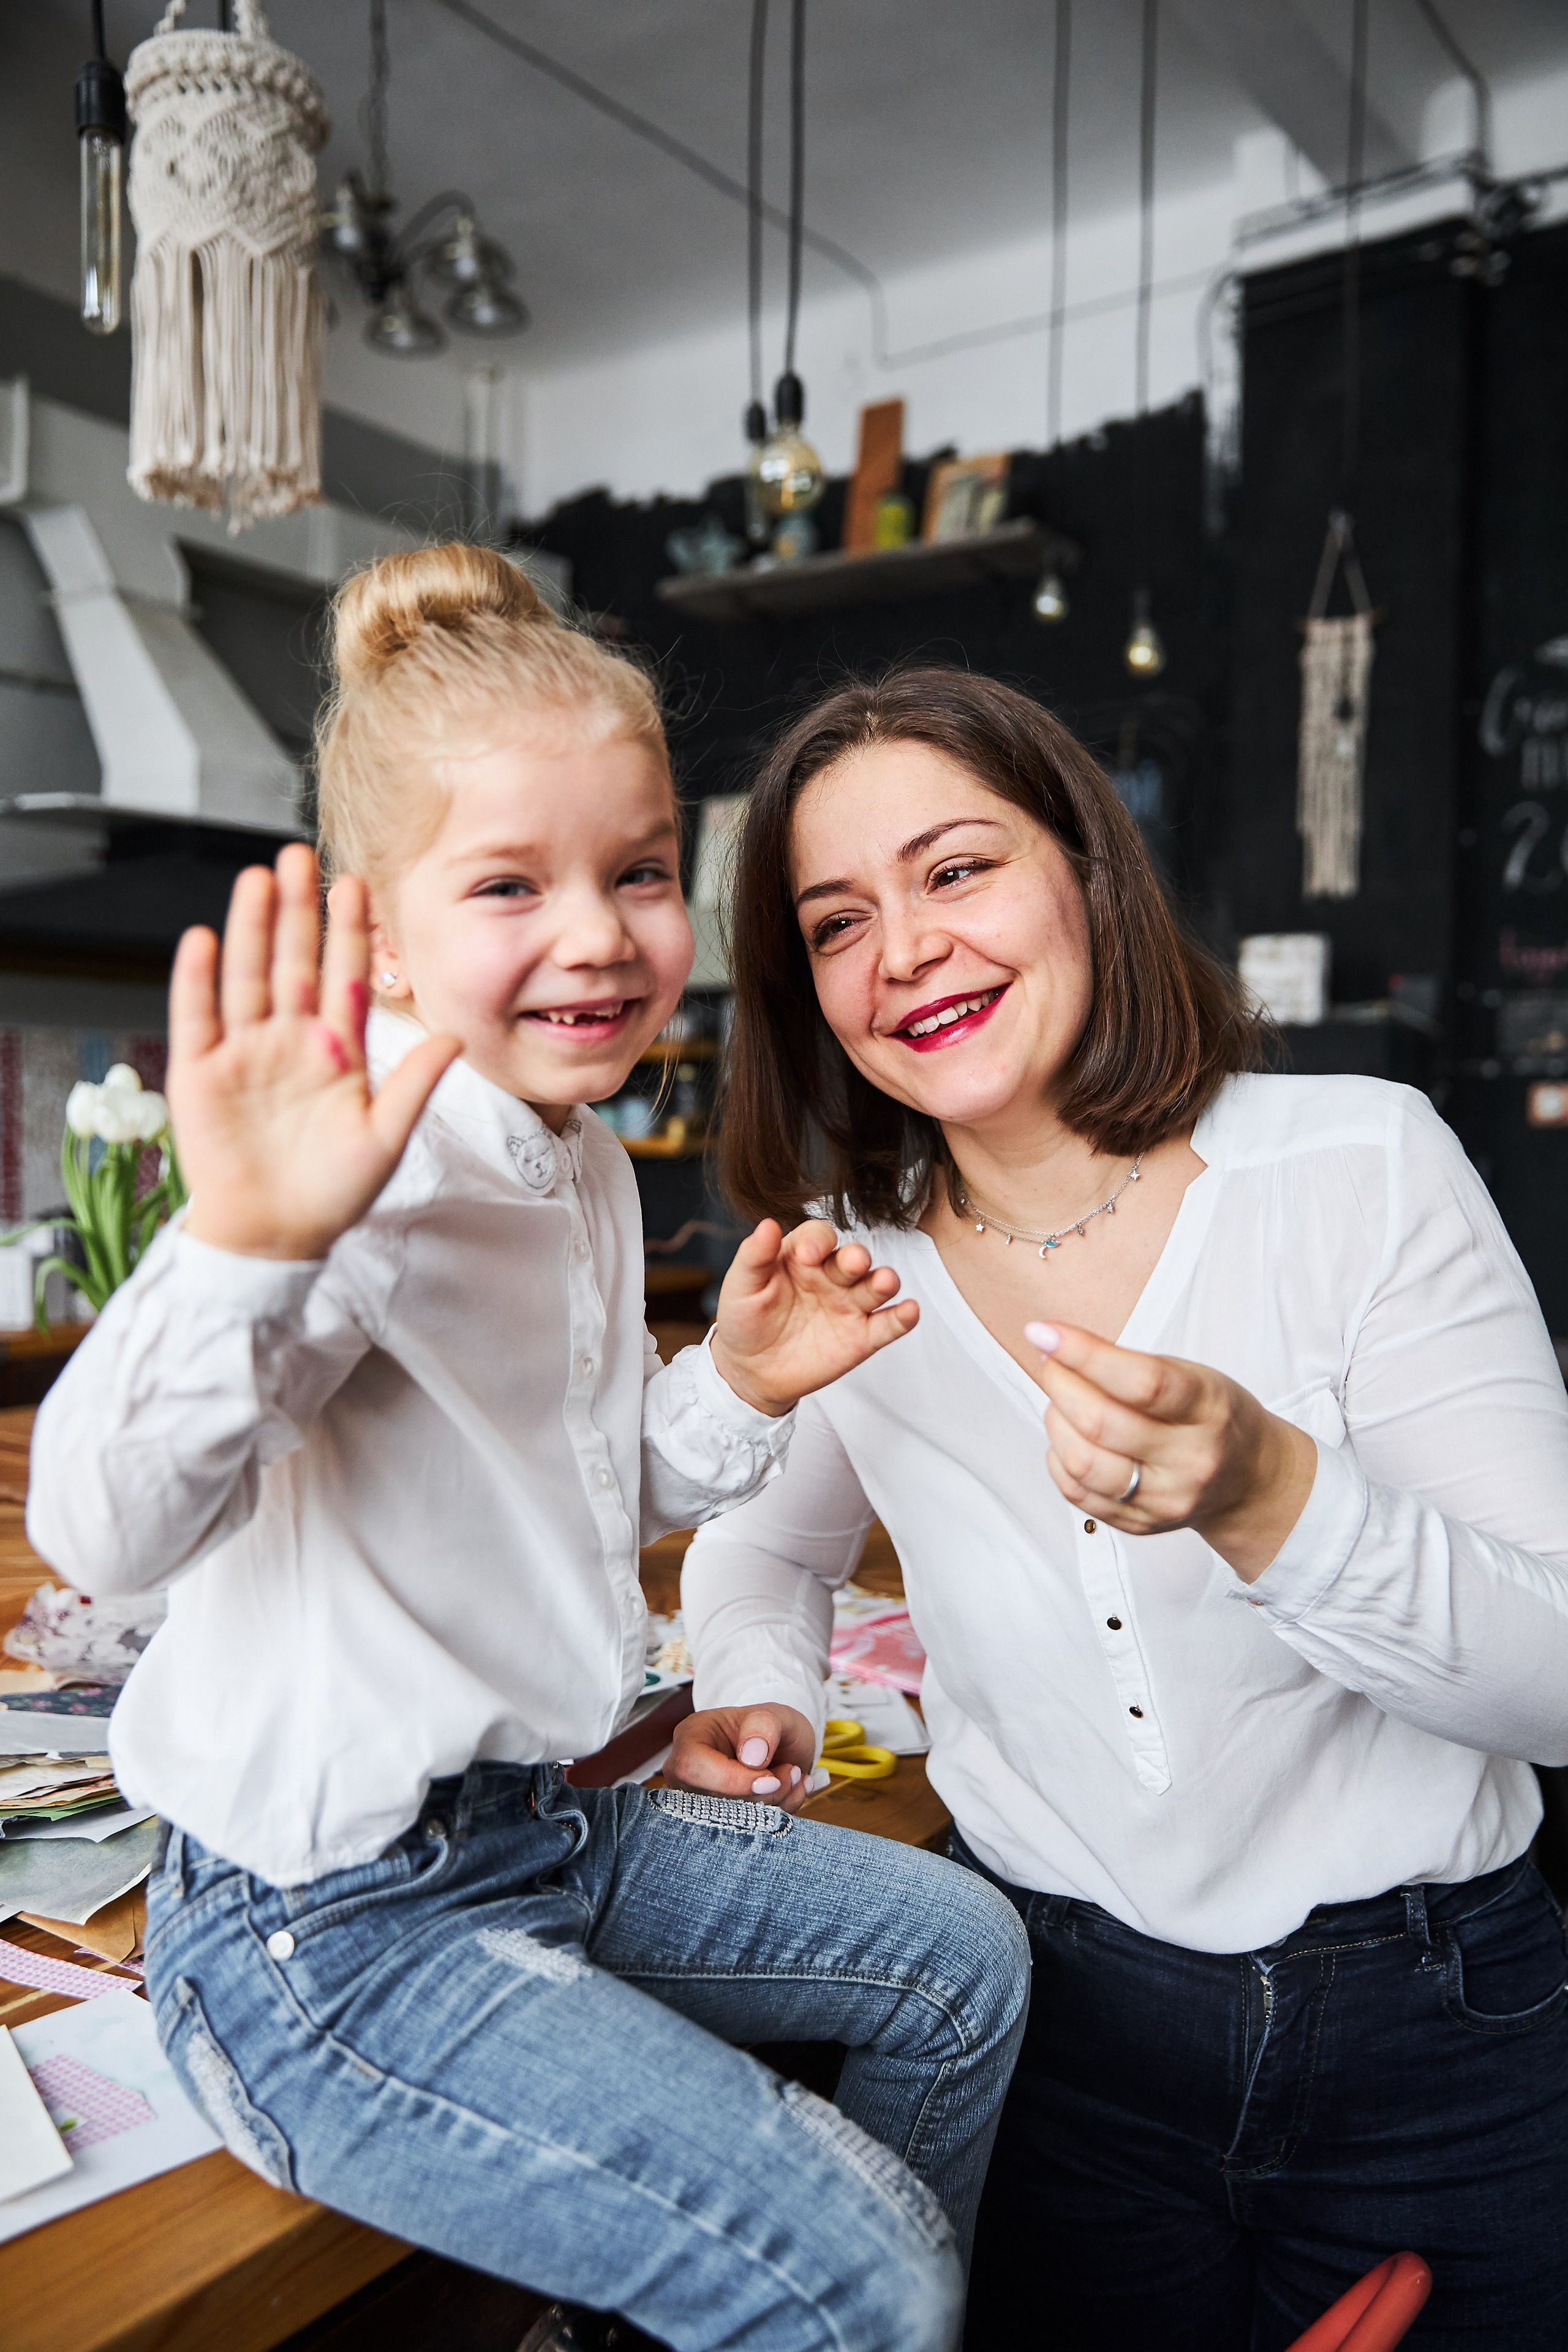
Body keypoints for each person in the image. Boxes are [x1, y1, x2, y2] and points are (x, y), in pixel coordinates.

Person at [26, 565, 1031, 2352]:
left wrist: (733, 1376)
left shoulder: (572, 1155)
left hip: (543, 1830)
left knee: (962, 1965)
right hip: (320, 1939)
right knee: (872, 2278)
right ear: (381, 936)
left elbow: (575, 1488)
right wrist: (246, 1244)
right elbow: (102, 1529)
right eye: (511, 883)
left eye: (638, 870)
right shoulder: (360, 1165)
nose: (599, 933)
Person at [667, 667, 1568, 2352]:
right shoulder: (842, 1257)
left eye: (955, 872)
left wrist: (1279, 1501)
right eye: (837, 921)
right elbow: (761, 1544)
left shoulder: (1363, 1166)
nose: (905, 952)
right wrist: (763, 1689)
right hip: (1054, 2028)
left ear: (1086, 869)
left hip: (1434, 2029)